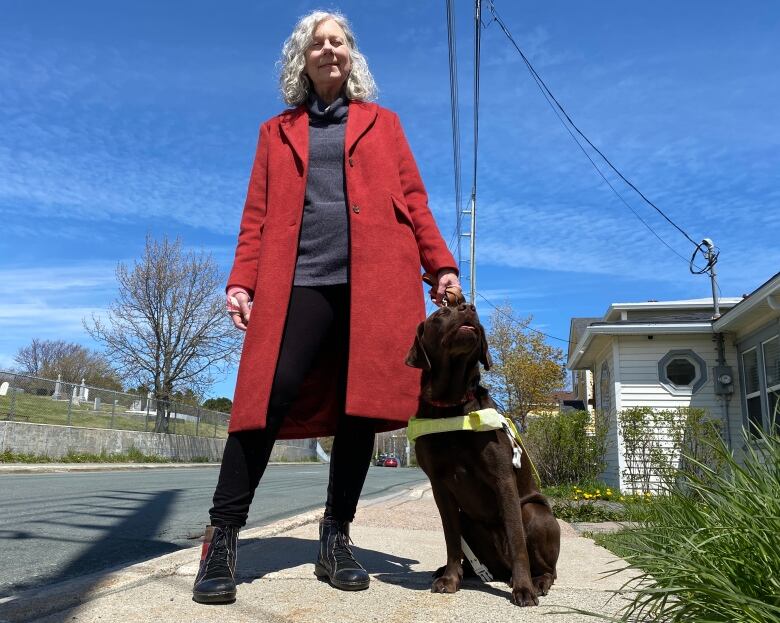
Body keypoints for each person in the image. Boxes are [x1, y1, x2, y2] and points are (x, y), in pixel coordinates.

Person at [193, 10, 460, 604]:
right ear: (303, 59)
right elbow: (256, 216)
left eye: (338, 41)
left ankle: (336, 536)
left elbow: (414, 199)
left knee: (358, 411)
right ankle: (224, 536)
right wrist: (242, 281)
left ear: (351, 55)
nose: (329, 50)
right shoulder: (276, 131)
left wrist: (439, 265)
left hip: (375, 285)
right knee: (265, 398)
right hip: (299, 283)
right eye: (317, 43)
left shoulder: (383, 124)